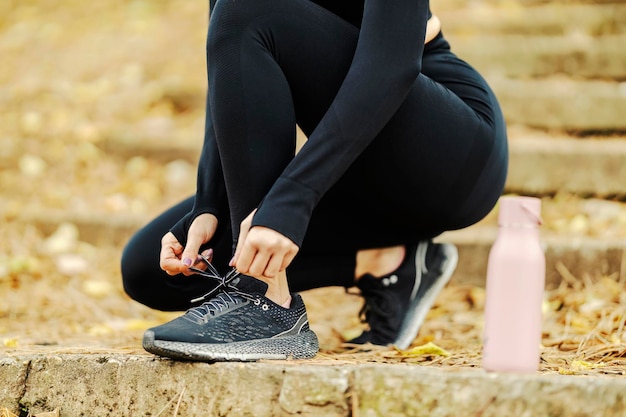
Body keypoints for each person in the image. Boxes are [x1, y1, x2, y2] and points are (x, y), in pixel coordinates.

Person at [121, 0, 508, 362]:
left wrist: (293, 198)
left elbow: (389, 66)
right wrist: (209, 203)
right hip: (356, 169)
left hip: (445, 157)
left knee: (250, 7)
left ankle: (266, 301)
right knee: (151, 271)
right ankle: (389, 264)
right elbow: (232, 69)